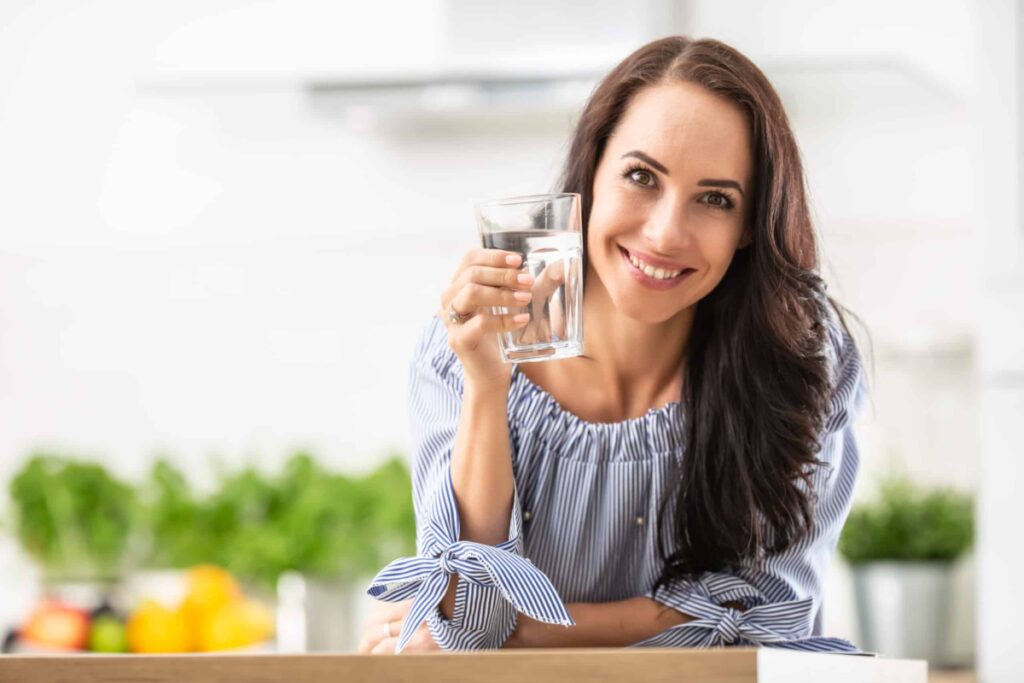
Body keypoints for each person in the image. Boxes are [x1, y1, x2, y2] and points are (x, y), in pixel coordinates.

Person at [358, 35, 869, 655]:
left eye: (715, 199)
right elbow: (468, 617)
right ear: (591, 175)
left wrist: (525, 631)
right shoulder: (465, 347)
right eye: (641, 176)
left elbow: (771, 621)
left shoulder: (800, 357)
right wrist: (489, 387)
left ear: (747, 227)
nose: (664, 233)